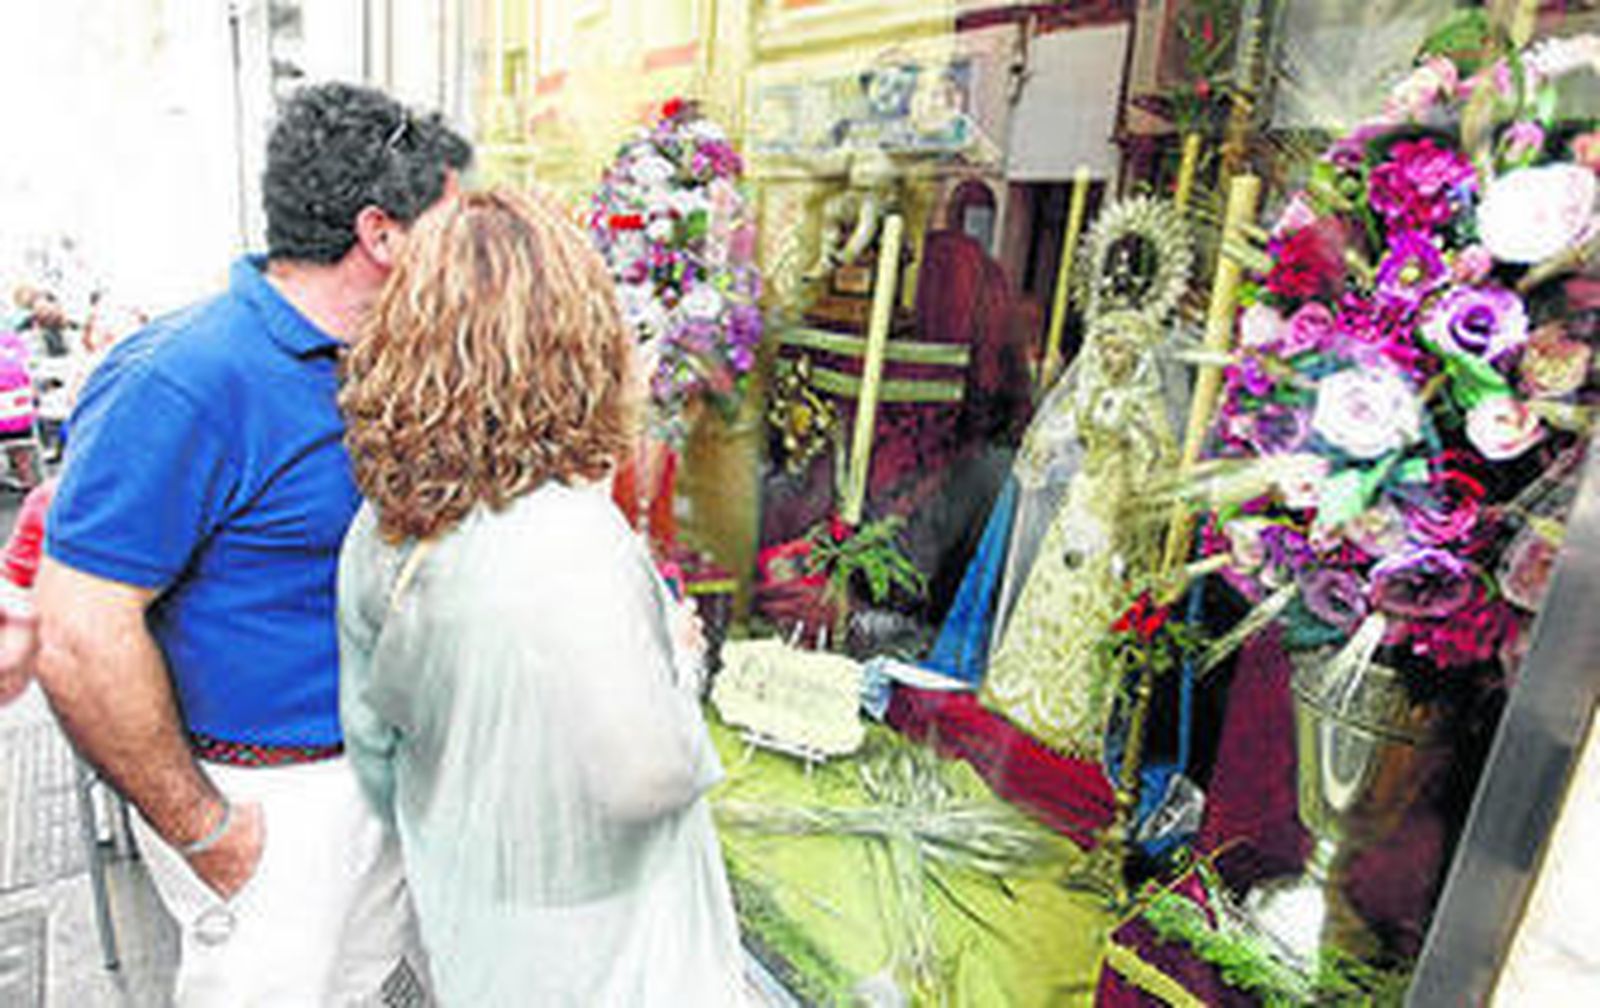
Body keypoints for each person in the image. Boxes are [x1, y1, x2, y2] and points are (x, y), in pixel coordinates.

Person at [34, 82, 471, 1006]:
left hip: (369, 778)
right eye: (450, 222)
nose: (466, 251)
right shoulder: (182, 378)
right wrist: (207, 830)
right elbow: (78, 634)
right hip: (270, 805)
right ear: (380, 235)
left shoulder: (386, 360)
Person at [337, 188, 747, 1006]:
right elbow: (647, 780)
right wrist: (682, 665)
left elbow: (377, 760)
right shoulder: (574, 540)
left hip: (469, 923)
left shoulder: (381, 529)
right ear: (576, 346)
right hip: (600, 954)